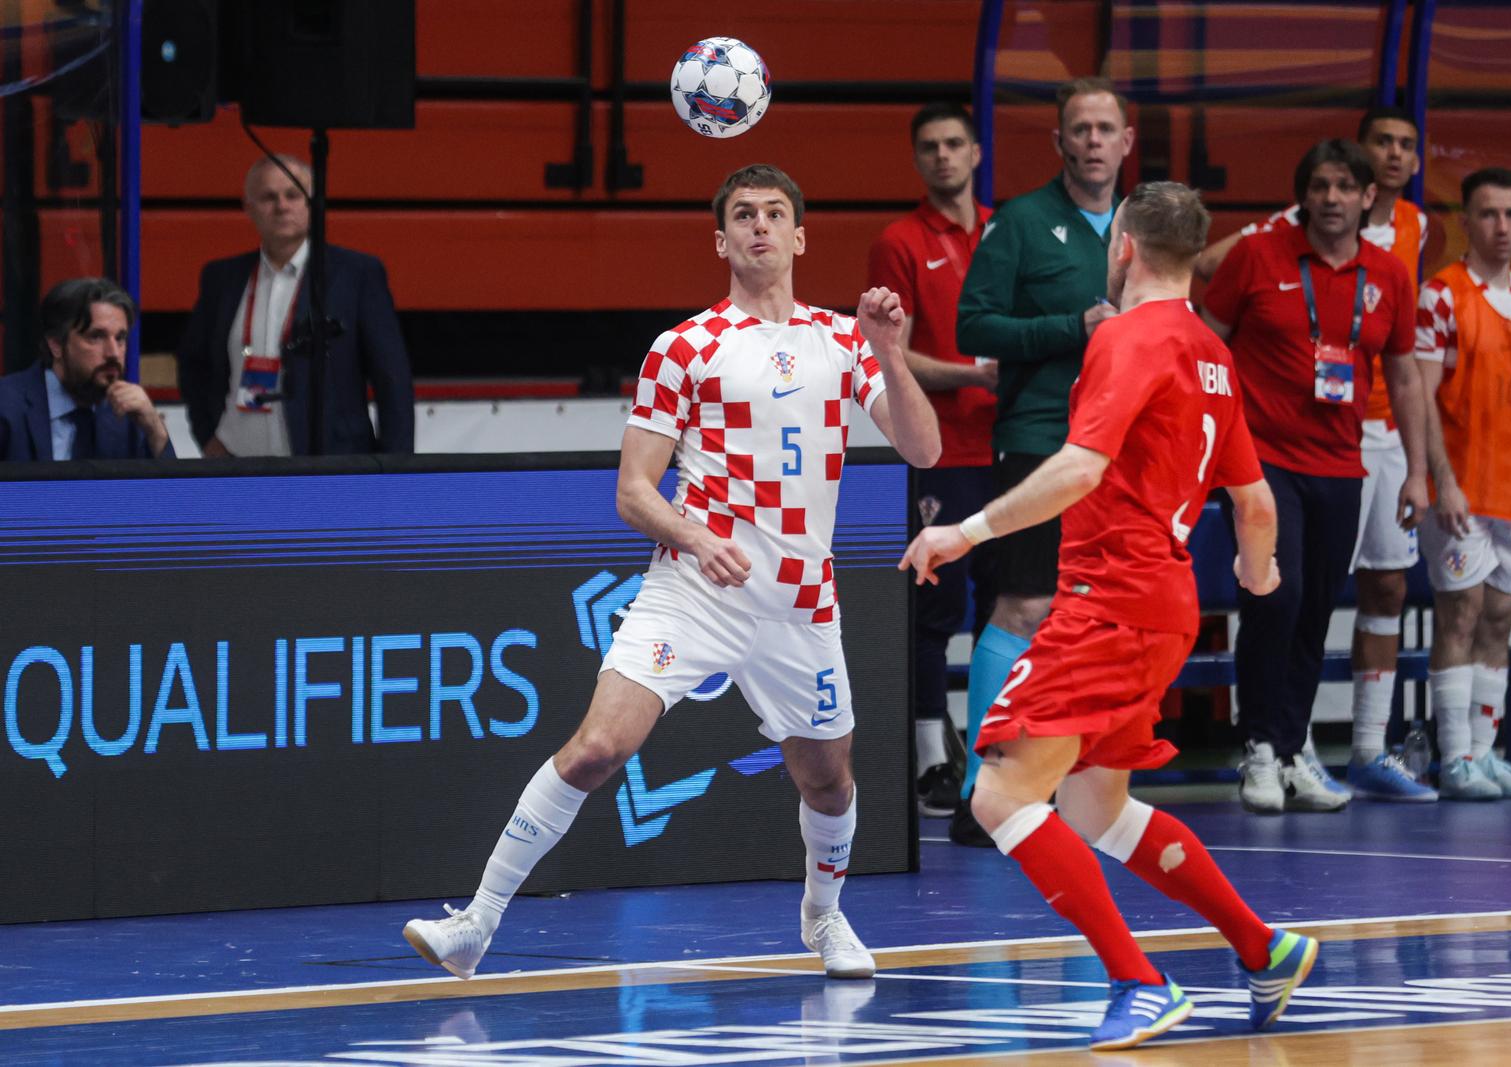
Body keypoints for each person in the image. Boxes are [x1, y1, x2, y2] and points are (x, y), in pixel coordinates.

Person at [401, 164, 942, 982]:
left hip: (800, 603)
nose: (759, 226)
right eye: (742, 215)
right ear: (720, 239)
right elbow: (632, 492)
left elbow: (924, 449)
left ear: (799, 236)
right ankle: (475, 924)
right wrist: (697, 538)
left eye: (774, 214)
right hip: (694, 591)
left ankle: (824, 919)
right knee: (596, 748)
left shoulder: (841, 339)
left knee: (828, 782)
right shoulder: (684, 346)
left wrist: (892, 354)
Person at [901, 181, 1316, 1052]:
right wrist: (1259, 571)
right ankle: (1263, 947)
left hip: (1110, 600)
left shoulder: (1129, 337)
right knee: (1097, 811)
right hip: (1166, 604)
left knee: (1002, 791)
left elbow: (1079, 466)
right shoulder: (1211, 350)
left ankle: (1139, 980)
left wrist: (965, 530)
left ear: (1120, 244)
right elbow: (1254, 500)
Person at [1201, 108, 1434, 799]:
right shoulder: (1257, 255)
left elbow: (1402, 375)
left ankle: (1294, 742)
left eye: (1345, 186)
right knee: (1278, 592)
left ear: (1369, 197)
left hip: (1343, 462)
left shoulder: (1389, 274)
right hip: (1261, 458)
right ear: (1304, 195)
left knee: (1315, 607)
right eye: (1320, 186)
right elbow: (1205, 346)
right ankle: (1259, 749)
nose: (1332, 198)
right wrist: (1207, 440)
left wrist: (1417, 470)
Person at [949, 76, 1133, 845]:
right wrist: (1072, 325)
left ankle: (1068, 781)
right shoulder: (1022, 222)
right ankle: (976, 791)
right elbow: (971, 325)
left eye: (1105, 129)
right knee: (1023, 605)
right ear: (1060, 142)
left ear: (1126, 141)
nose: (1093, 142)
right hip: (1040, 435)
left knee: (1096, 614)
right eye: (1079, 129)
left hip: (1123, 445)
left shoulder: (1144, 224)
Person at [1416, 167, 1511, 801]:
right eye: (1487, 214)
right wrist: (1440, 481)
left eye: (1510, 214)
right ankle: (1454, 759)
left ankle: (1482, 751)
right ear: (1467, 222)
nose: (1500, 227)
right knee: (1461, 613)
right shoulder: (1442, 295)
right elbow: (1419, 397)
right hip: (1461, 487)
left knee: (1502, 618)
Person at [866, 102, 997, 817]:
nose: (943, 157)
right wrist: (977, 375)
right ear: (917, 160)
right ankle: (928, 762)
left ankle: (997, 753)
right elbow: (897, 354)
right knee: (934, 609)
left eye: (954, 144)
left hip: (1013, 448)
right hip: (940, 449)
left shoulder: (1009, 231)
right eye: (929, 147)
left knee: (1011, 603)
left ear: (977, 153)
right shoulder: (900, 240)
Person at [176, 154, 414, 457]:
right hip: (237, 465)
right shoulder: (222, 278)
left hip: (333, 466)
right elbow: (194, 364)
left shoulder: (356, 275)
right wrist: (208, 435)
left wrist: (396, 472)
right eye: (268, 197)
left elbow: (392, 380)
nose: (281, 206)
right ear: (248, 207)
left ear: (312, 204)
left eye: (293, 195)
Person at [0, 277, 174, 460]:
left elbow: (173, 489)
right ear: (56, 344)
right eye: (96, 337)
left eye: (120, 338)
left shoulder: (127, 415)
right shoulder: (6, 405)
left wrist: (156, 430)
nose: (113, 353)